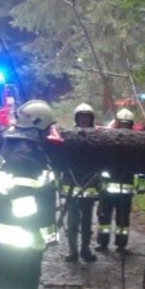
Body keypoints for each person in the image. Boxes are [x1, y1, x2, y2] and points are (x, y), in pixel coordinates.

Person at [0, 100, 60, 289]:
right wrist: (37, 234)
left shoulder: (15, 147)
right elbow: (23, 202)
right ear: (37, 126)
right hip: (23, 240)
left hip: (12, 238)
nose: (49, 133)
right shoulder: (25, 156)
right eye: (47, 128)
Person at [61, 103, 100, 263]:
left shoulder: (98, 139)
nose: (84, 120)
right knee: (72, 220)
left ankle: (85, 248)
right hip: (71, 185)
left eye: (87, 117)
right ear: (77, 118)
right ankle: (73, 250)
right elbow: (61, 159)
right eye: (81, 117)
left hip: (90, 185)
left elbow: (102, 161)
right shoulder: (68, 137)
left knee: (86, 221)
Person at [96, 108, 137, 255]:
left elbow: (142, 165)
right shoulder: (109, 141)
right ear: (117, 124)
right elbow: (101, 164)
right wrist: (100, 181)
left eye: (127, 124)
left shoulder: (136, 144)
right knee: (104, 218)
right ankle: (102, 242)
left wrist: (142, 184)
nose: (125, 127)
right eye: (123, 124)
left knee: (123, 221)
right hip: (107, 189)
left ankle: (121, 245)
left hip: (125, 192)